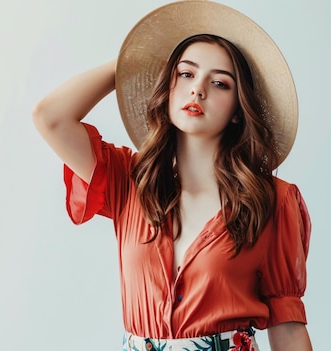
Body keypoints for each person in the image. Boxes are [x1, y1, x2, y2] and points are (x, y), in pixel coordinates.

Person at [32, 1, 312, 350]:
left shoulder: (274, 200)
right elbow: (51, 117)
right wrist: (135, 61)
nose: (198, 90)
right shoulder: (129, 180)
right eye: (186, 74)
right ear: (168, 85)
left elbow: (287, 327)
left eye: (221, 83)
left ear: (239, 110)